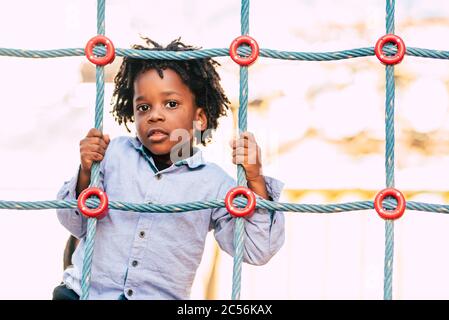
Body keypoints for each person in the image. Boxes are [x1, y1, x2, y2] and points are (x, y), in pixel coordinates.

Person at [53, 37, 285, 300]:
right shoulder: (114, 154)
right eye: (143, 107)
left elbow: (258, 250)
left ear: (199, 118)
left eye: (171, 104)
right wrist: (86, 171)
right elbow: (73, 221)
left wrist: (255, 180)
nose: (155, 115)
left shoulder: (214, 184)